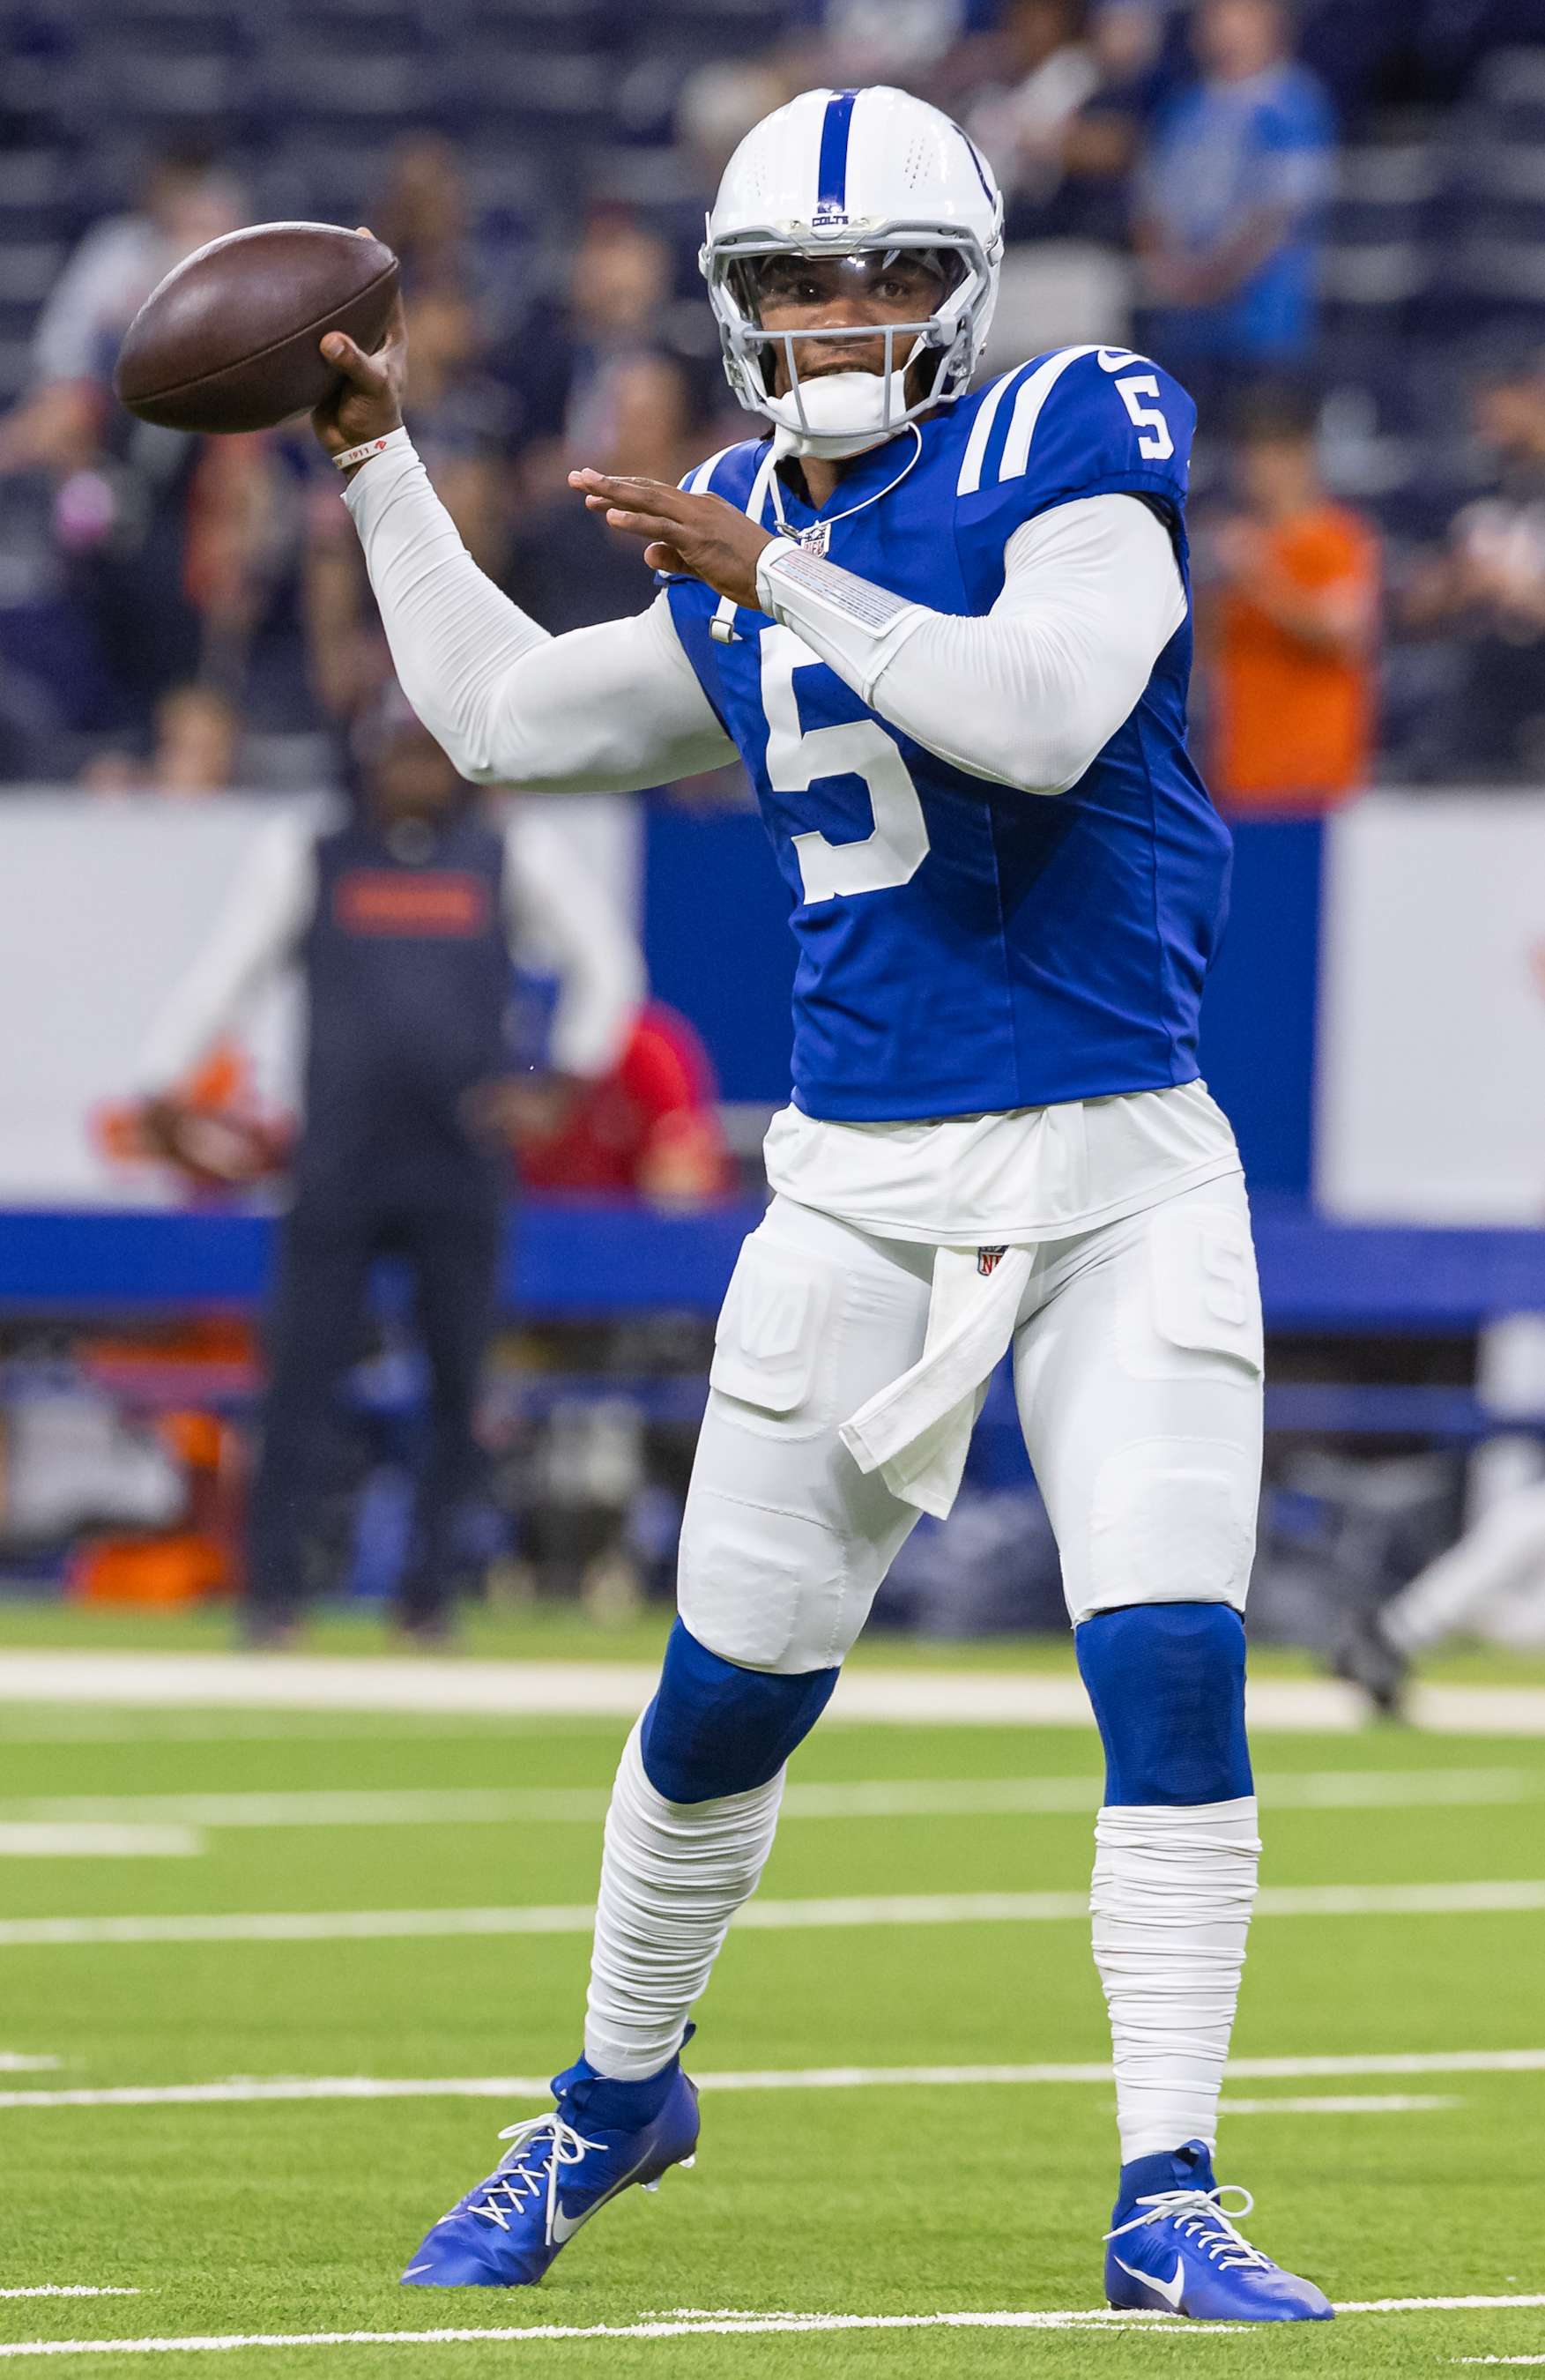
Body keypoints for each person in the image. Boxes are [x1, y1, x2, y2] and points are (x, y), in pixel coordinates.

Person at [314, 87, 1330, 2320]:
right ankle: (609, 2097)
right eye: (796, 280)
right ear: (738, 304)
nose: (842, 313)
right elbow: (497, 716)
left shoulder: (1066, 429)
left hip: (1121, 1171)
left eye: (883, 275)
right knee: (721, 1700)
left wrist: (770, 571)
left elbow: (1044, 713)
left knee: (1169, 1662)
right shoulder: (753, 521)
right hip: (857, 1192)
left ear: (964, 291)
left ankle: (1168, 2184)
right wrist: (379, 465)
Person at [130, 696, 643, 1643]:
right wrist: (162, 1083)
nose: (413, 773)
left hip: (460, 1162)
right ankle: (272, 1596)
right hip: (338, 1162)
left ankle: (429, 1598)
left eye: (428, 754)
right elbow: (224, 975)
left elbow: (607, 965)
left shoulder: (510, 854)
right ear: (366, 760)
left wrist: (563, 1082)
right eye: (398, 753)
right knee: (298, 1381)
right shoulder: (310, 852)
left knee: (458, 1390)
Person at [1132, 0, 1334, 412]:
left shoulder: (1294, 103)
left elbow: (1280, 214)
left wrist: (1210, 278)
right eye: (1217, 14)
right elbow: (1149, 204)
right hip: (1183, 326)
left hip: (1265, 324)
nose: (1226, 27)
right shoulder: (1184, 107)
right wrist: (1168, 271)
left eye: (1240, 13)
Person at [1201, 386, 1379, 813]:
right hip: (1241, 774)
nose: (1262, 471)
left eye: (1275, 456)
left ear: (1304, 459)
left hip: (1316, 775)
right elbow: (1208, 651)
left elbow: (1339, 634)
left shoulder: (1338, 539)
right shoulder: (1235, 545)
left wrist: (1258, 576)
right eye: (1254, 457)